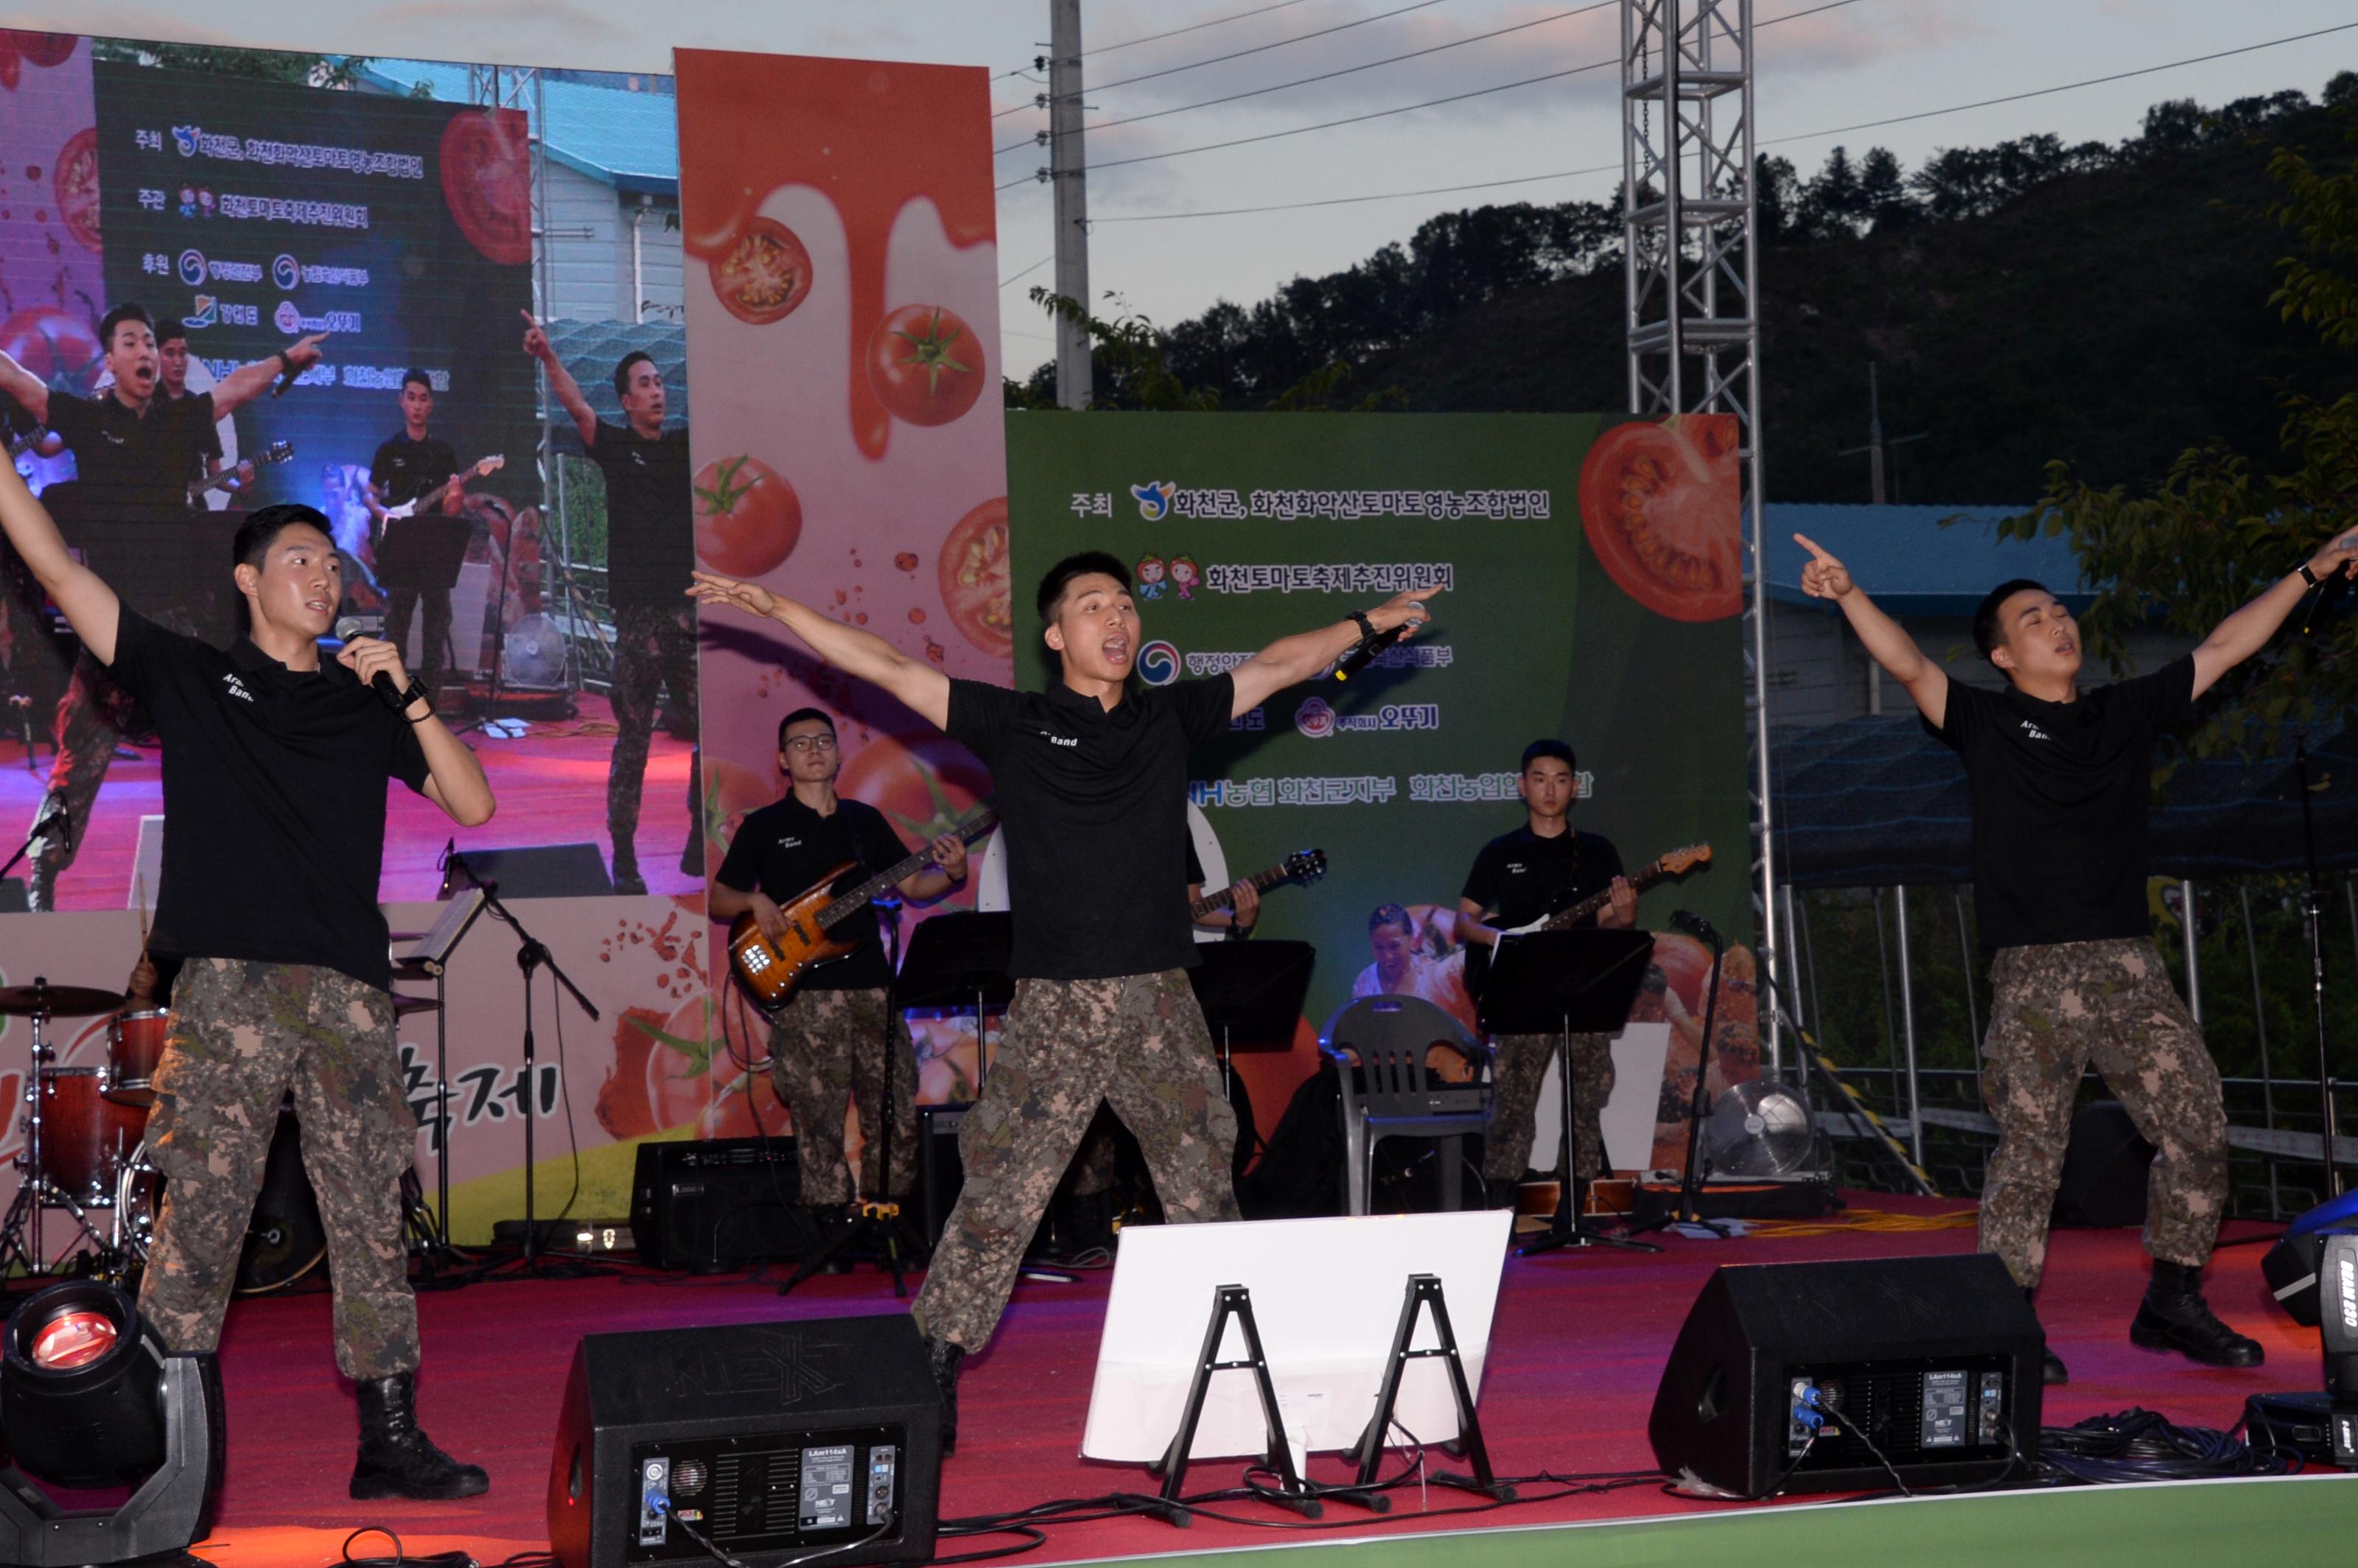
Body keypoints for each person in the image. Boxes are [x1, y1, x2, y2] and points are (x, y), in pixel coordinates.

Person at [691, 550, 1437, 1448]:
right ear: (1056, 635)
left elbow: (1278, 663)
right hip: (1056, 1003)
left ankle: (1239, 1369)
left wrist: (1367, 623)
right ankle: (932, 1362)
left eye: (1123, 603)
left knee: (1203, 1181)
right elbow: (884, 665)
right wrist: (775, 600)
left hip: (1160, 998)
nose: (1114, 618)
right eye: (1091, 606)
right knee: (1004, 1185)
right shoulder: (1015, 723)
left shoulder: (1170, 715)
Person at [0, 456, 497, 1499]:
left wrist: (403, 693)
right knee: (205, 1214)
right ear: (248, 579)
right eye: (298, 560)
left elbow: (473, 803)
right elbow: (49, 560)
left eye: (330, 562)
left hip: (349, 988)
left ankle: (390, 1439)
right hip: (230, 988)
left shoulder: (367, 706)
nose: (322, 577)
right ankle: (166, 1450)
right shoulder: (188, 675)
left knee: (367, 1212)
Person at [1796, 530, 2358, 1383]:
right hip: (2031, 970)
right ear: (2000, 653)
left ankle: (2171, 1297)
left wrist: (2311, 568)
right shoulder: (1983, 719)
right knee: (2030, 1148)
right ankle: (2007, 1320)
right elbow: (1907, 662)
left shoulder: (2120, 712)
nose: (2057, 623)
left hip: (2127, 963)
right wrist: (1846, 593)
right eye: (2033, 617)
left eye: (2060, 611)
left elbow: (2226, 643)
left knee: (2197, 1123)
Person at [0, 302, 326, 909]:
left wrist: (287, 357)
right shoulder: (86, 419)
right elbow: (18, 380)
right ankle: (43, 872)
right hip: (111, 629)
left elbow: (234, 389)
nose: (147, 352)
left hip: (174, 624)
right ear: (110, 359)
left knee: (221, 743)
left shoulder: (177, 421)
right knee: (81, 761)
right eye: (132, 342)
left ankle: (241, 876)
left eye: (151, 341)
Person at [710, 705, 968, 1225]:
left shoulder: (864, 821)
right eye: (800, 743)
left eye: (823, 740)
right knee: (817, 1115)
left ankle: (888, 1217)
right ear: (783, 760)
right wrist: (754, 904)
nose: (814, 750)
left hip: (874, 987)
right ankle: (827, 1227)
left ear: (838, 752)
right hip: (805, 996)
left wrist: (954, 872)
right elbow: (719, 899)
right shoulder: (764, 827)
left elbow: (914, 887)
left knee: (892, 1109)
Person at [522, 315, 699, 893]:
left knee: (709, 727)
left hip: (686, 613)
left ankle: (705, 833)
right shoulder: (617, 447)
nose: (657, 390)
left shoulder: (682, 447)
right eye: (645, 384)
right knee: (634, 740)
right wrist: (548, 356)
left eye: (660, 382)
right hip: (639, 618)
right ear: (627, 400)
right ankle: (624, 856)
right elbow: (577, 408)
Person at [1454, 740, 1637, 1201]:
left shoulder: (1597, 852)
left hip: (1585, 987)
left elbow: (1611, 924)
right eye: (1539, 779)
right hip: (1521, 989)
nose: (1549, 789)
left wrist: (1626, 916)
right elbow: (1463, 921)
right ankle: (1502, 1204)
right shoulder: (1500, 851)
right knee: (1512, 1099)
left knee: (1587, 1097)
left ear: (1575, 788)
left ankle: (1573, 1200)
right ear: (1522, 786)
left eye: (1560, 780)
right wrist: (1503, 940)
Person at [365, 371, 477, 700]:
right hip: (399, 547)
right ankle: (393, 705)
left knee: (436, 629)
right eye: (411, 397)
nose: (417, 405)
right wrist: (385, 514)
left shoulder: (442, 453)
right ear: (402, 402)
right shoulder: (389, 450)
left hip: (435, 551)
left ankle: (430, 708)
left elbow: (452, 510)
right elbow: (369, 496)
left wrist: (455, 498)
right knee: (396, 630)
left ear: (432, 405)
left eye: (423, 398)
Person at [1351, 903, 1479, 1036]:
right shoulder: (1365, 982)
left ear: (1411, 938)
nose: (1387, 956)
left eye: (1394, 946)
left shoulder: (1436, 979)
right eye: (1379, 947)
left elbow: (1463, 1034)